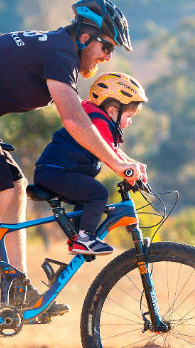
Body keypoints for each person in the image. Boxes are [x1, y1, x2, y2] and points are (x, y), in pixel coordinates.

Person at [0, 0, 141, 318]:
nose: (108, 57)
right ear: (84, 36)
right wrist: (118, 163)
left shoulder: (60, 49)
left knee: (15, 186)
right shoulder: (61, 54)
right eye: (106, 46)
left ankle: (15, 286)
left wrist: (122, 159)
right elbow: (74, 119)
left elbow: (84, 124)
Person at [34, 72, 148, 256]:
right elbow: (109, 156)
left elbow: (114, 152)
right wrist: (124, 169)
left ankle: (79, 238)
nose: (131, 121)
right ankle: (84, 239)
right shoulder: (99, 122)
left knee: (89, 196)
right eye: (129, 115)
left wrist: (134, 166)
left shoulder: (98, 119)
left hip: (54, 172)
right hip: (56, 173)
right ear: (112, 111)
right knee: (98, 194)